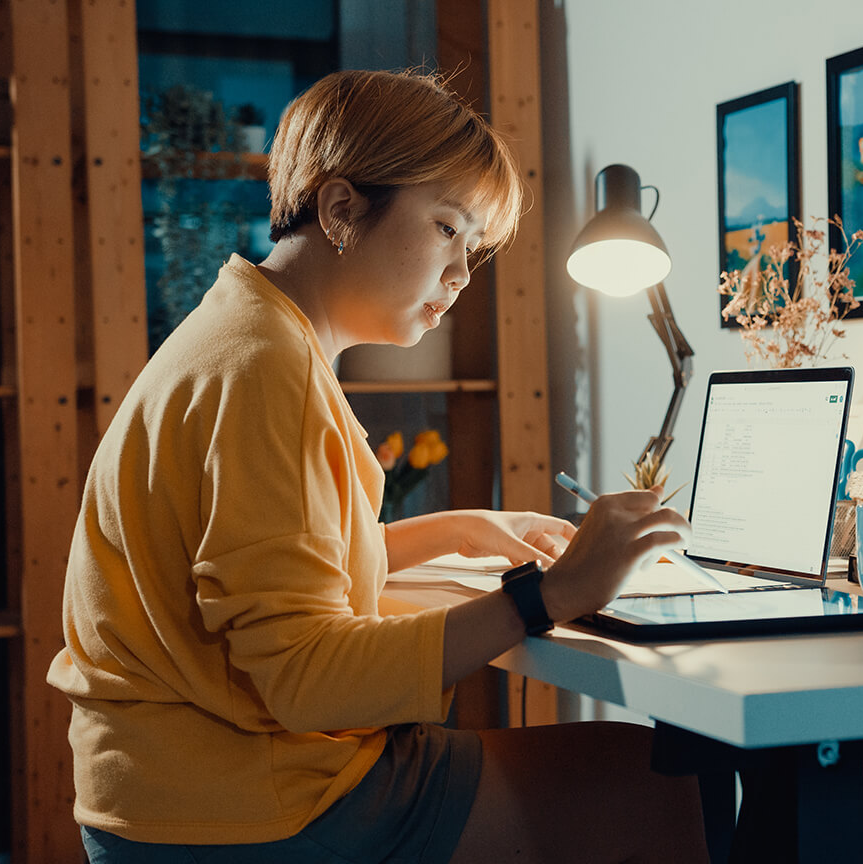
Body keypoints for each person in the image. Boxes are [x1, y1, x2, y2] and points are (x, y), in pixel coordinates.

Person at [47, 68, 709, 863]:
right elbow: (305, 679)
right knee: (652, 781)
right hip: (243, 802)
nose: (463, 275)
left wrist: (457, 530)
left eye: (476, 246)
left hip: (171, 786)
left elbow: (269, 569)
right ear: (339, 209)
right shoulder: (268, 373)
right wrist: (553, 593)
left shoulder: (244, 330)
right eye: (446, 228)